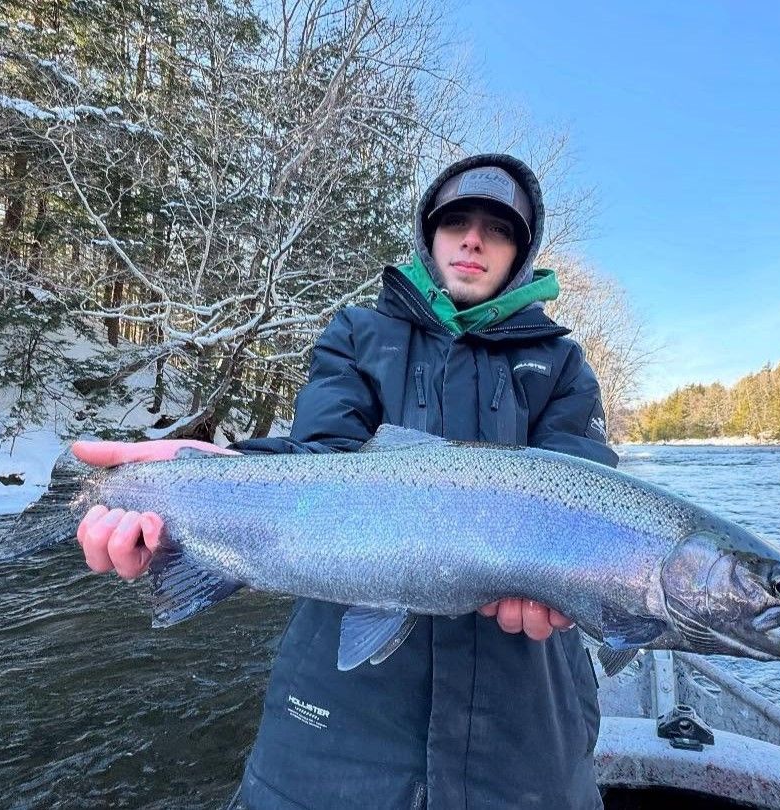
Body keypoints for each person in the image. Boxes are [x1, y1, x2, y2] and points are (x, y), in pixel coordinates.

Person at [73, 154, 617, 809]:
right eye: (456, 222)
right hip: (334, 727)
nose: (473, 239)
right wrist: (218, 474)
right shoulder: (360, 334)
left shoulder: (559, 363)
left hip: (524, 733)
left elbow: (585, 497)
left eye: (497, 229)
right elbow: (319, 459)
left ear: (520, 253)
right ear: (429, 234)